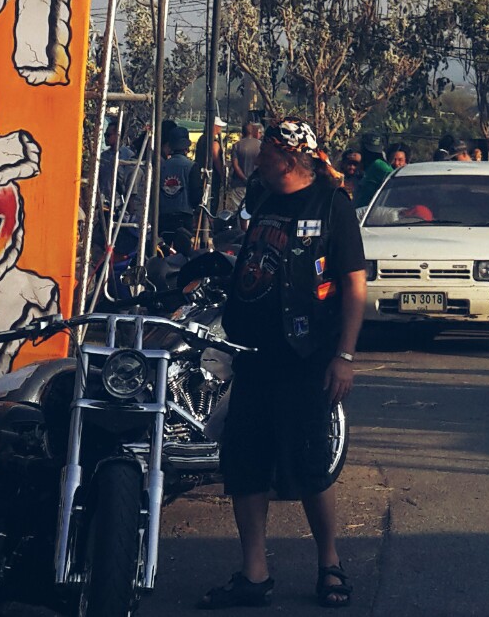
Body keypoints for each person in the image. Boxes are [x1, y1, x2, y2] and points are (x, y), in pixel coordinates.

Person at [199, 120, 368, 610]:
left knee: (310, 463)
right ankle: (254, 574)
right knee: (245, 463)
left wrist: (344, 356)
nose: (257, 160)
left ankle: (329, 563)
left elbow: (354, 285)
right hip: (253, 355)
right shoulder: (264, 197)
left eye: (266, 153)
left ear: (289, 159)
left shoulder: (332, 205)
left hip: (306, 357)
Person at [159, 120, 201, 252]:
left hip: (164, 217)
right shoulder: (191, 166)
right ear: (186, 147)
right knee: (183, 255)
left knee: (163, 252)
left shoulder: (162, 165)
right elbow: (195, 196)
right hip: (184, 217)